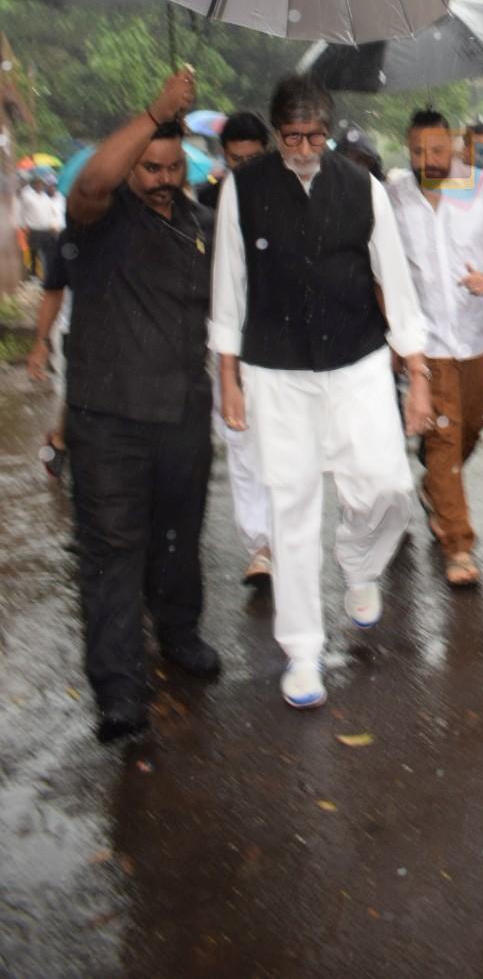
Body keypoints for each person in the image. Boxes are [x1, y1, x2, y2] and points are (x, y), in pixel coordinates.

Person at [211, 74, 431, 711]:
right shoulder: (242, 191)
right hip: (276, 372)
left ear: (329, 131)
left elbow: (397, 283)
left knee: (389, 485)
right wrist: (228, 379)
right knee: (293, 507)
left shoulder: (363, 188)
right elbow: (229, 288)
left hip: (358, 361)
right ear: (276, 131)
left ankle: (360, 563)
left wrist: (417, 375)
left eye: (313, 135)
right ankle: (302, 652)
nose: (302, 146)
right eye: (290, 136)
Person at [63, 68, 219, 743]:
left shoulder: (200, 223)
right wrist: (156, 109)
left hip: (184, 413)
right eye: (149, 166)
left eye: (170, 166)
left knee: (179, 542)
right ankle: (120, 690)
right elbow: (92, 183)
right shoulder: (102, 218)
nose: (160, 177)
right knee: (112, 553)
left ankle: (179, 634)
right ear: (133, 167)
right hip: (109, 421)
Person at [389, 109, 483, 587]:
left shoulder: (482, 188)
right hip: (429, 342)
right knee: (444, 437)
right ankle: (458, 545)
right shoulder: (395, 197)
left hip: (478, 334)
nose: (428, 159)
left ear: (456, 147)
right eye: (418, 151)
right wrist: (397, 337)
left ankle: (433, 486)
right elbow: (389, 271)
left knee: (473, 423)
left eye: (437, 150)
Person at [195, 110, 276, 588]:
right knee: (242, 443)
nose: (242, 166)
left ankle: (286, 537)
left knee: (282, 445)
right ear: (223, 158)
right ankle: (259, 547)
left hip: (280, 341)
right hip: (226, 340)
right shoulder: (206, 204)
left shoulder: (287, 199)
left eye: (251, 158)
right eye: (234, 159)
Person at [27, 238, 73, 479]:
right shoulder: (70, 238)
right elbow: (53, 293)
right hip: (74, 330)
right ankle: (59, 439)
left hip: (124, 333)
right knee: (76, 398)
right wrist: (41, 342)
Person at [197, 111, 271, 212]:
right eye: (237, 159)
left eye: (253, 158)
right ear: (224, 154)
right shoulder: (208, 200)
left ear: (267, 152)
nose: (246, 166)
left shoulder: (284, 193)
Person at [18, 171, 65, 279]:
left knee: (48, 254)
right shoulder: (27, 197)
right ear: (34, 185)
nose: (40, 186)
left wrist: (54, 226)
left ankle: (47, 275)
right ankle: (33, 275)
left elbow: (51, 214)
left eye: (41, 184)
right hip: (34, 230)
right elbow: (22, 210)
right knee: (34, 253)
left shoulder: (47, 198)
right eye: (37, 184)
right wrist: (23, 225)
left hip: (47, 231)